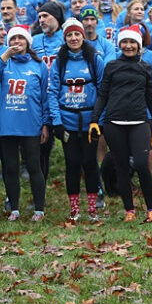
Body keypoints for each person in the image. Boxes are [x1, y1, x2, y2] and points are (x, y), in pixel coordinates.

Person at [90, 25, 152, 223]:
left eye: (132, 42)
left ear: (138, 45)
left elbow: (151, 97)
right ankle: (129, 210)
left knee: (142, 165)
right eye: (125, 42)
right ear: (119, 44)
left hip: (140, 121)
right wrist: (94, 121)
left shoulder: (145, 67)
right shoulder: (112, 66)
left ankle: (151, 210)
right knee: (121, 166)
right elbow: (103, 95)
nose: (129, 46)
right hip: (114, 123)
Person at [0, 25, 49, 222]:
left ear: (28, 42)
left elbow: (45, 97)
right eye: (13, 39)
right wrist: (4, 57)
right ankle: (14, 208)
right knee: (10, 167)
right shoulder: (4, 63)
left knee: (33, 166)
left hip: (31, 124)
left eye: (21, 39)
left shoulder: (39, 65)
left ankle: (39, 209)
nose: (16, 43)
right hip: (8, 124)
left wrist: (45, 124)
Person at [49, 19, 106, 221]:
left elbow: (102, 91)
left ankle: (92, 208)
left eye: (77, 34)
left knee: (90, 162)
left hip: (90, 120)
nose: (73, 38)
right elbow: (53, 92)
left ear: (83, 36)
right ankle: (74, 209)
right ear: (65, 38)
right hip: (67, 121)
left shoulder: (94, 59)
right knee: (72, 163)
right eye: (69, 35)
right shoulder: (60, 61)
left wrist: (99, 119)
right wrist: (56, 121)